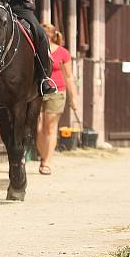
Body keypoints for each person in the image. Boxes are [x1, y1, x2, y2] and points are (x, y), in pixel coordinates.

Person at [36, 23, 78, 175]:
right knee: (38, 127)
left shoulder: (63, 53)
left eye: (46, 34)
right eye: (42, 34)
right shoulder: (36, 49)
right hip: (39, 91)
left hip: (57, 91)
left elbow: (69, 76)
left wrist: (73, 98)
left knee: (50, 127)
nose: (44, 37)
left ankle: (46, 162)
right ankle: (43, 155)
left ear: (53, 36)